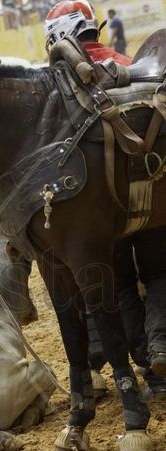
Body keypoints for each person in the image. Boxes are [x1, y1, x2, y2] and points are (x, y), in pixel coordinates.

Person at [44, 0, 166, 393]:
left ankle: (141, 360)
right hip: (153, 193)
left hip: (102, 206)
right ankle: (160, 349)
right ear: (92, 28)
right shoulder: (124, 63)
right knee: (159, 272)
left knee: (119, 283)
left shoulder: (57, 87)